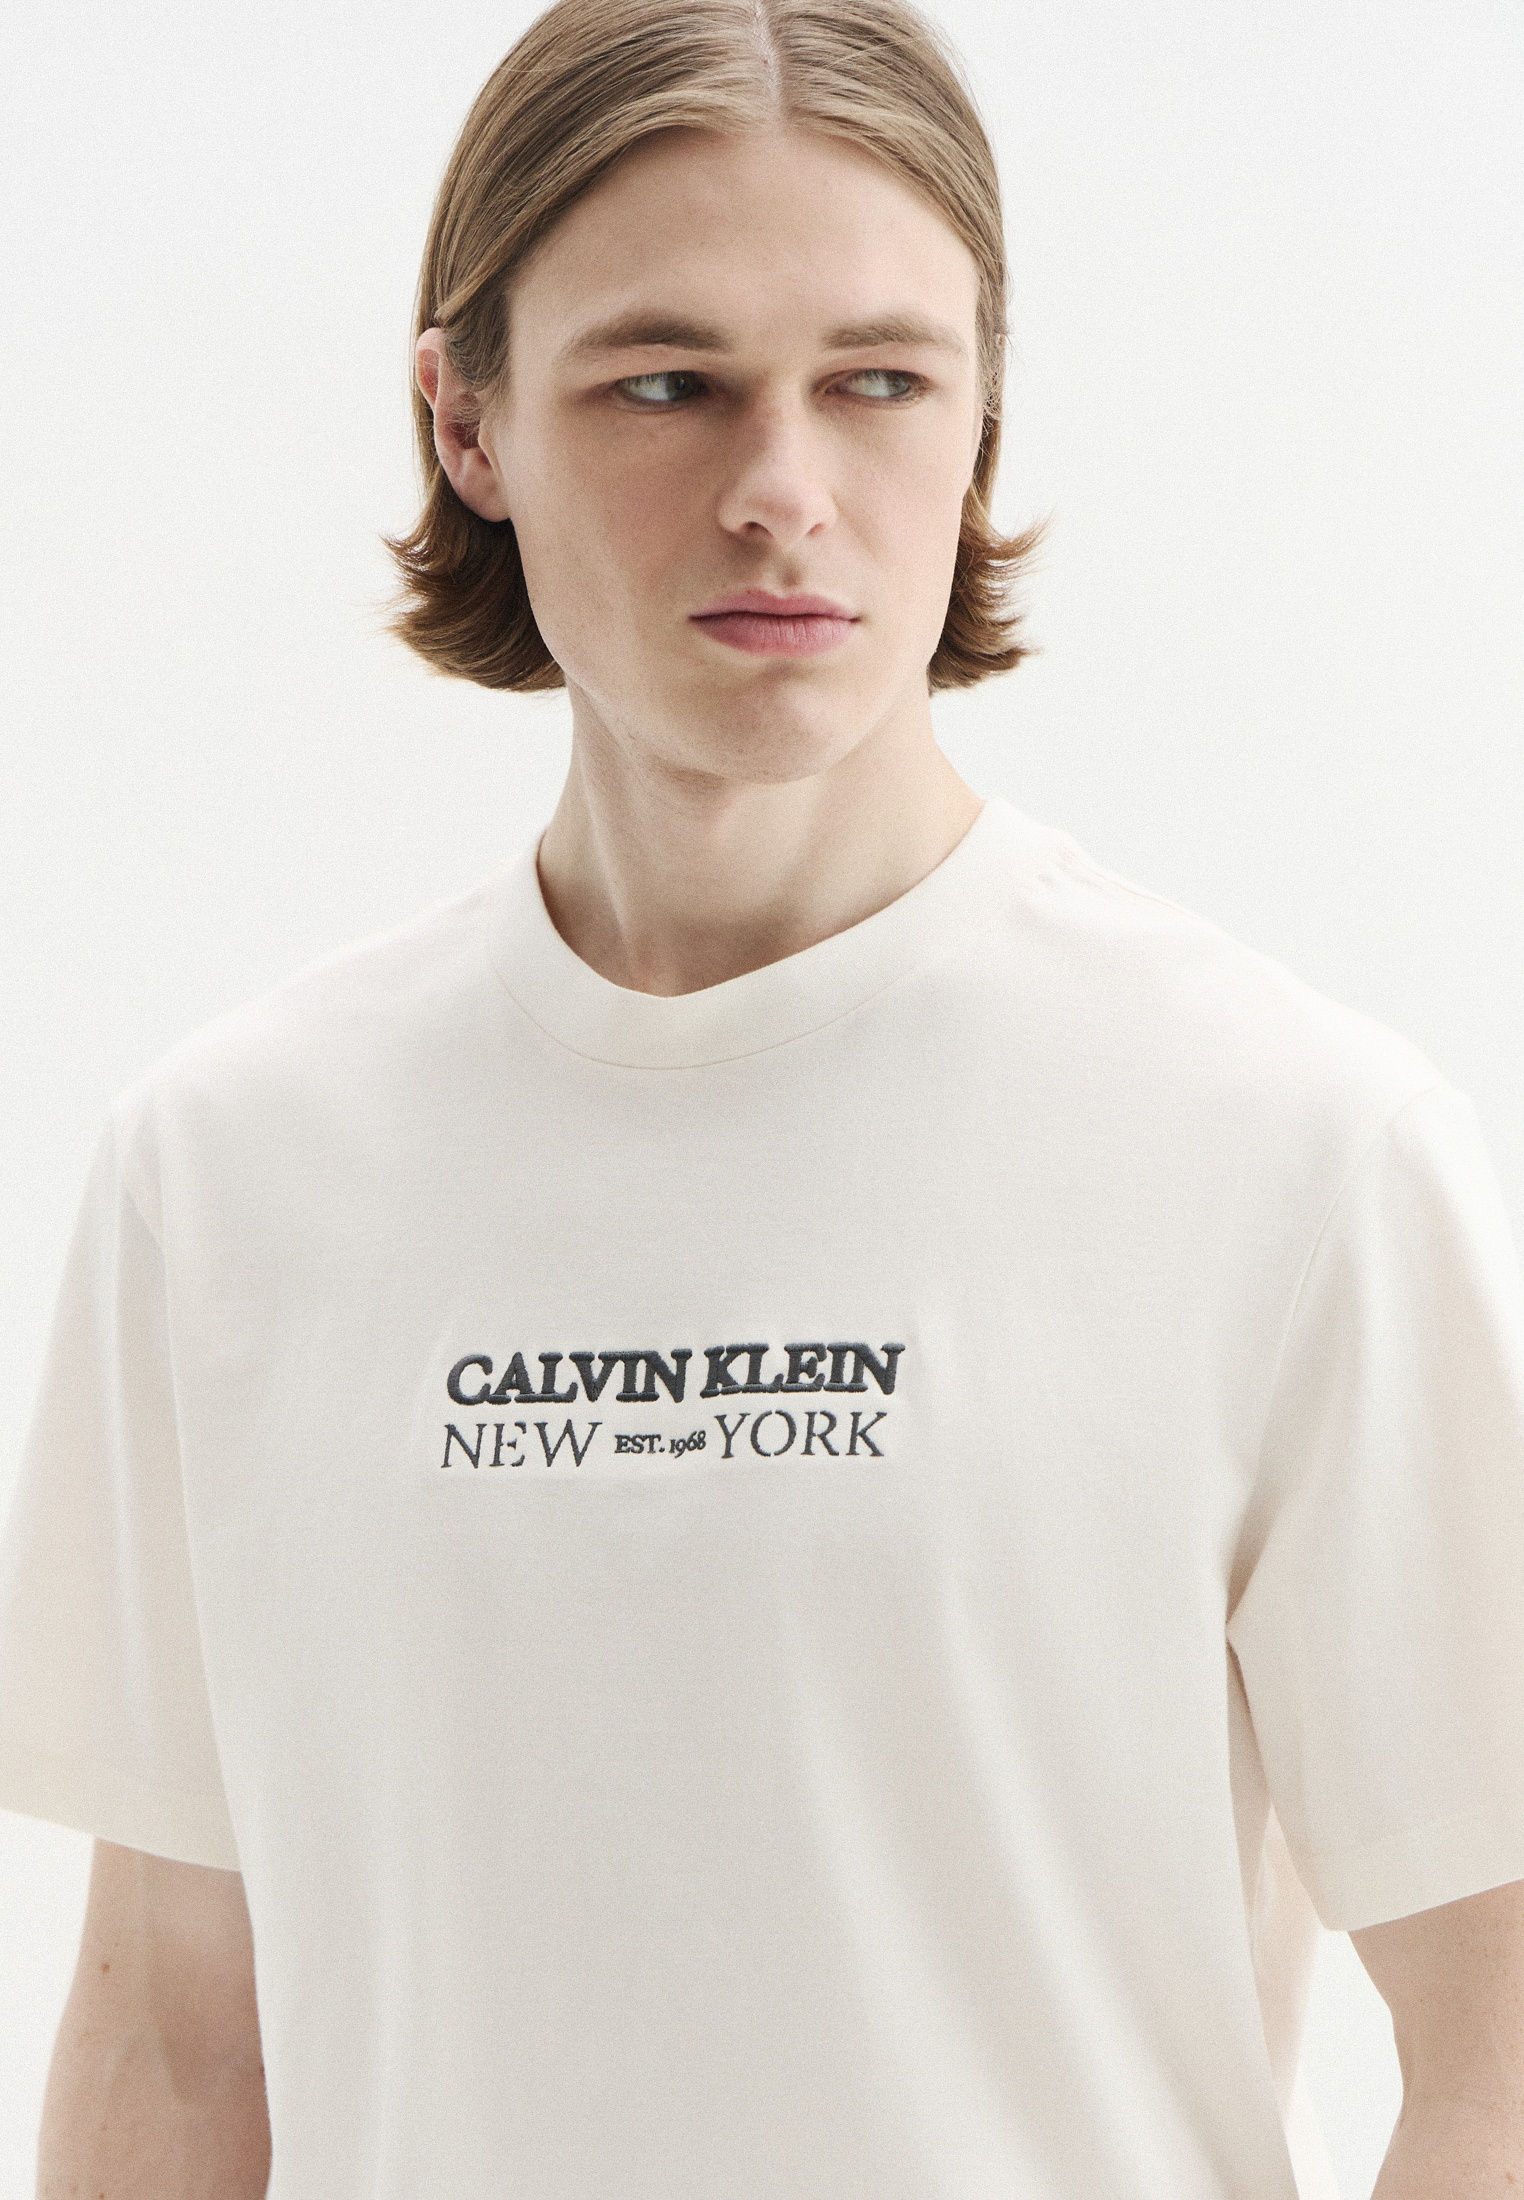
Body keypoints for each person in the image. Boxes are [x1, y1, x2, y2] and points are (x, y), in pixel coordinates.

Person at [5, 0, 1524, 2194]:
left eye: (878, 381)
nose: (783, 490)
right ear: (466, 420)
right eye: (667, 382)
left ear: (978, 416)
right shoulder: (231, 1174)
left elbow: (1496, 2046)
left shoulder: (1292, 1149)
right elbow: (170, 2033)